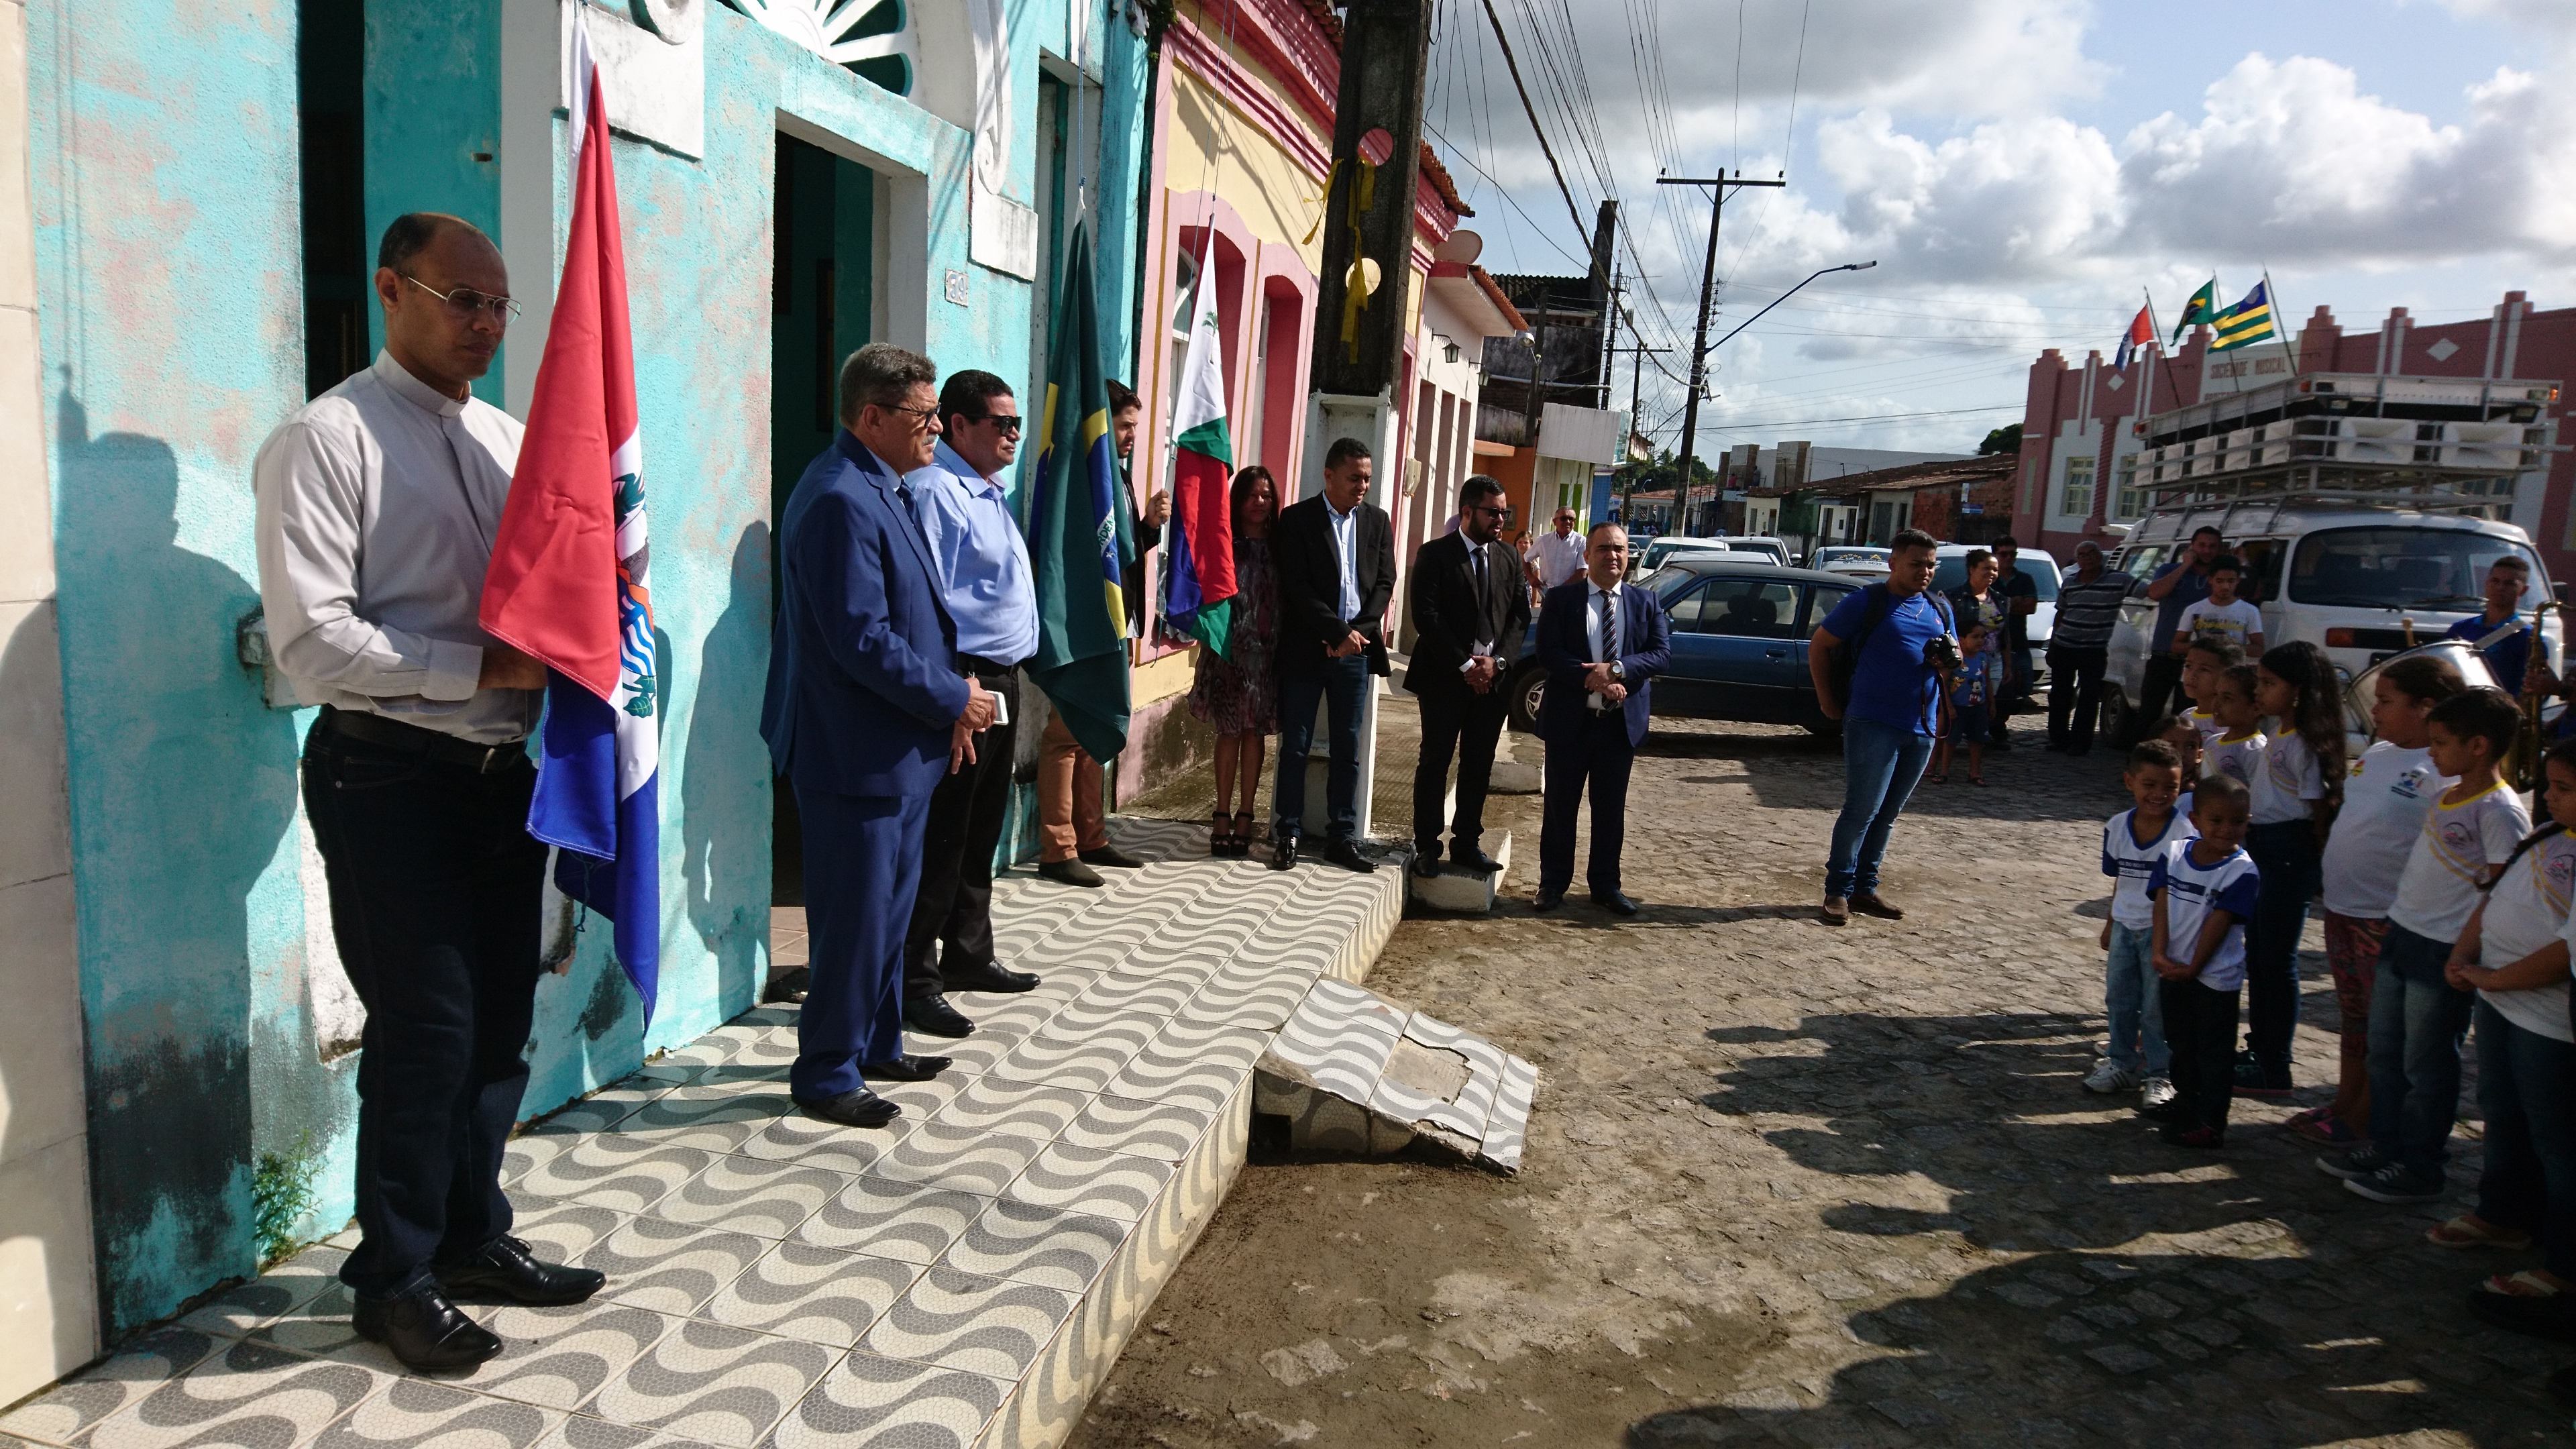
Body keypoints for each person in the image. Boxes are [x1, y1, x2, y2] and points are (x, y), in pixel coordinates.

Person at [254, 212, 602, 1372]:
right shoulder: (328, 439)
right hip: (388, 773)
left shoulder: (510, 440)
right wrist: (478, 668)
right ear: (391, 289)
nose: (487, 324)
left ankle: (467, 1235)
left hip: (504, 780)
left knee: (499, 1022)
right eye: (464, 300)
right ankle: (393, 1277)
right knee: (429, 1029)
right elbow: (312, 640)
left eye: (500, 305)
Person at [765, 343, 997, 1132]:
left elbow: (917, 619)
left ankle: (877, 1041)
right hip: (852, 754)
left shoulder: (884, 485)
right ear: (872, 417)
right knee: (855, 921)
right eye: (923, 416)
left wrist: (949, 706)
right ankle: (827, 1071)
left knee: (891, 915)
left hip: (897, 749)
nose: (935, 428)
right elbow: (861, 640)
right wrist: (954, 698)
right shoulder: (839, 497)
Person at [2322, 687, 2528, 1204]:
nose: (2431, 753)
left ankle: (2420, 1165)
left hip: (2442, 950)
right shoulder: (2445, 795)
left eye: (2440, 743)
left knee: (2426, 1063)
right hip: (2402, 931)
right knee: (2386, 1051)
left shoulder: (2500, 811)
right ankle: (2386, 1144)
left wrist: (2464, 950)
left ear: (2478, 745)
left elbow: (2501, 891)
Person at [899, 369, 1043, 1040]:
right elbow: (929, 606)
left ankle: (968, 952)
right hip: (967, 682)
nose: (1013, 434)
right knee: (945, 834)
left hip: (1003, 681)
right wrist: (956, 693)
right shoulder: (938, 492)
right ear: (958, 426)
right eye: (1000, 423)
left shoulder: (986, 491)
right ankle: (914, 980)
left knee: (981, 827)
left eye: (1017, 423)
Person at [2293, 655, 2462, 1147]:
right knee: (2355, 1017)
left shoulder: (2441, 770)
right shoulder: (2379, 752)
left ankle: (2367, 1115)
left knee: (2386, 1028)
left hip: (2386, 917)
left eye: (2386, 701)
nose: (2375, 710)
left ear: (2425, 707)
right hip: (2344, 907)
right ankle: (2345, 1102)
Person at [2439, 737, 2576, 1340]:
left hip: (2548, 1017)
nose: (2550, 797)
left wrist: (2497, 977)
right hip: (2499, 1002)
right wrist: (2466, 952)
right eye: (2550, 786)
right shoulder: (2546, 837)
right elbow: (2493, 899)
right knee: (2502, 1109)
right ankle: (2504, 1212)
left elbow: (2567, 951)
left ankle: (2564, 1262)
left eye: (2565, 789)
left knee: (2557, 1137)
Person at [1034, 379, 1171, 887]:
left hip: (1117, 623)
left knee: (1095, 731)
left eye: (1135, 426)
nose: (1132, 435)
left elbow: (1119, 553)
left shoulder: (1118, 475)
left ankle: (1091, 837)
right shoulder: (1080, 476)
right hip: (1085, 626)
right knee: (1066, 735)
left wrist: (1148, 527)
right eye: (1125, 425)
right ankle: (1058, 847)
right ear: (1100, 424)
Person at [1810, 529, 1956, 926]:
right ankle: (1837, 890)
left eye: (1931, 565)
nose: (1925, 571)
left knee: (1888, 813)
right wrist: (1827, 700)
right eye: (1916, 563)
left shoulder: (1939, 608)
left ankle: (1865, 888)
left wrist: (1947, 667)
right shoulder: (1867, 602)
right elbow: (1819, 645)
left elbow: (1952, 665)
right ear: (1893, 563)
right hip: (1872, 722)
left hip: (1921, 726)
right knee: (1862, 809)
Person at [1271, 437, 1396, 873]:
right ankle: (1288, 831)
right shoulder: (1297, 520)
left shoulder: (1377, 521)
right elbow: (1297, 585)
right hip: (1307, 649)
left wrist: (1355, 635)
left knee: (1348, 747)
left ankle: (1342, 836)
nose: (1363, 486)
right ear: (1329, 476)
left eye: (1367, 478)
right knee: (1296, 745)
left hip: (1355, 654)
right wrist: (1336, 632)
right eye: (1354, 478)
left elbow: (1385, 582)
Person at [1532, 523, 1669, 914]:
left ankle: (1606, 886)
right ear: (1587, 555)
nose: (1613, 556)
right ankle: (1552, 884)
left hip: (1618, 728)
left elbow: (1661, 654)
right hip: (1570, 724)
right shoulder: (1562, 599)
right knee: (1560, 808)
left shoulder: (1646, 602)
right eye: (1604, 548)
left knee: (1610, 811)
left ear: (1629, 556)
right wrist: (1592, 678)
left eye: (1620, 549)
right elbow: (1549, 652)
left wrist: (1618, 671)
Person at [1406, 476, 1532, 877]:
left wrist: (1498, 664)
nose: (1500, 520)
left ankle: (1466, 844)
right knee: (1435, 761)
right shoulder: (1435, 555)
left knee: (1478, 764)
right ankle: (1427, 846)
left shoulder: (1509, 557)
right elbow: (1426, 616)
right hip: (1444, 679)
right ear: (1467, 512)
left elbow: (1520, 616)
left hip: (1493, 683)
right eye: (1492, 512)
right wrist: (1466, 666)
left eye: (1504, 512)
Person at [2235, 642, 2343, 1101]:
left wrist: (2315, 867)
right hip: (2263, 844)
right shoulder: (2279, 733)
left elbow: (2316, 811)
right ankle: (2258, 1048)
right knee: (2258, 956)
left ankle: (2275, 1061)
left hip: (2287, 849)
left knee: (2277, 960)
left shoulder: (2304, 744)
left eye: (2269, 683)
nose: (2259, 691)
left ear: (2298, 691)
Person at [2145, 773, 2260, 1148]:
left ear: (2248, 821)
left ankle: (2210, 1122)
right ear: (2195, 819)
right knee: (2181, 1041)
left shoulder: (2242, 871)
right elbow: (2161, 903)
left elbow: (2219, 923)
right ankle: (2186, 1100)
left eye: (2237, 822)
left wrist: (2193, 967)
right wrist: (2159, 953)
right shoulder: (2175, 854)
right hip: (2173, 968)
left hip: (2214, 979)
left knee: (2213, 1052)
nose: (2227, 830)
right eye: (2217, 820)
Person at [1187, 466, 1283, 857]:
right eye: (1252, 495)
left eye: (1266, 496)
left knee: (1254, 733)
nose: (1259, 502)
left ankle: (1247, 814)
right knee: (1228, 732)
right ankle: (1222, 815)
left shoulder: (1281, 546)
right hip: (1228, 652)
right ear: (1238, 499)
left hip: (1267, 656)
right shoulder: (1224, 543)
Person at [2089, 740, 2187, 1105]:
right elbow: (2121, 880)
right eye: (2150, 785)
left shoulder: (2183, 834)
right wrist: (2111, 922)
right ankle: (2122, 1062)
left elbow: (2182, 892)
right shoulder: (2117, 827)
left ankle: (2160, 1072)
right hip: (2125, 927)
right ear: (2130, 782)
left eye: (2170, 787)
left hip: (2164, 933)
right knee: (2119, 998)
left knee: (2156, 1006)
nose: (2159, 794)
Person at [2048, 539, 2133, 755]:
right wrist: (2053, 643)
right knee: (2059, 695)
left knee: (2089, 697)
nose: (2088, 558)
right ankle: (2058, 739)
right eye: (2082, 555)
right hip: (2065, 645)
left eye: (2092, 553)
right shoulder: (2070, 582)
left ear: (2100, 556)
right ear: (2077, 560)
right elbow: (2061, 612)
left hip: (2094, 649)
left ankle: (2080, 743)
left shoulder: (2118, 580)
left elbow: (2150, 591)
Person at [2139, 525, 2225, 722]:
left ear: (2219, 550)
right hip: (2164, 655)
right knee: (2148, 715)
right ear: (2192, 547)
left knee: (2188, 717)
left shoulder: (2218, 579)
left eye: (2212, 546)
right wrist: (2185, 566)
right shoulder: (2169, 570)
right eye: (2201, 545)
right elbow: (2154, 593)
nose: (2206, 550)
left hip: (2198, 660)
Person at [1929, 612, 1995, 786]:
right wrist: (1948, 706)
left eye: (1982, 637)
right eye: (1975, 637)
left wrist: (1991, 702)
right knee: (1950, 741)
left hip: (1978, 706)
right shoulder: (1955, 660)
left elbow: (1987, 681)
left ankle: (1975, 772)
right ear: (1961, 639)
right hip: (1958, 707)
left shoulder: (1983, 658)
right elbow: (1943, 683)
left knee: (1977, 740)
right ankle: (1944, 772)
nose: (1980, 641)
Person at [1988, 536, 2041, 747]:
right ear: (1995, 555)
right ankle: (1994, 730)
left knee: (2021, 689)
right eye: (2004, 554)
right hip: (1992, 643)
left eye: (2012, 554)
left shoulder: (2025, 579)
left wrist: (2004, 605)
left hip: (2018, 642)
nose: (2009, 558)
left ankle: (1997, 725)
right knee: (1995, 689)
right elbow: (1988, 609)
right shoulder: (1989, 578)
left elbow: (2031, 607)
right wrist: (2014, 602)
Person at [2174, 554, 2263, 657]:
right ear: (2210, 580)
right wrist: (2201, 645)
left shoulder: (2250, 611)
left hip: (2231, 666)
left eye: (2231, 581)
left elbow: (2259, 650)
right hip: (2201, 665)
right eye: (2219, 581)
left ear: (2238, 580)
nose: (2225, 587)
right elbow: (2176, 646)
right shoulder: (2194, 609)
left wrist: (2229, 647)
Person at [2201, 664, 2267, 788]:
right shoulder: (2212, 741)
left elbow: (2257, 793)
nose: (2216, 703)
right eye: (2216, 695)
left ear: (2256, 709)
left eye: (2227, 698)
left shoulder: (2256, 751)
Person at [1526, 505, 1587, 595]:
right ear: (1555, 522)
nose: (1568, 521)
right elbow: (1526, 558)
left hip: (1571, 594)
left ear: (1574, 522)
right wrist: (1531, 578)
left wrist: (1559, 591)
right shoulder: (1543, 540)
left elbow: (1582, 574)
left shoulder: (1581, 542)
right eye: (1563, 518)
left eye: (1571, 519)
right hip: (1547, 594)